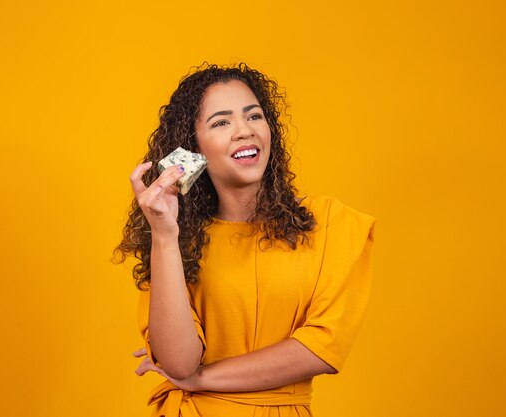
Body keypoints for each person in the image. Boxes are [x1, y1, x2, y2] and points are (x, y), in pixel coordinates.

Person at [113, 63, 376, 417]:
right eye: (221, 122)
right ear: (194, 148)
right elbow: (178, 362)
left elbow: (321, 350)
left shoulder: (330, 223)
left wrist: (199, 379)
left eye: (254, 116)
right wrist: (163, 234)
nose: (243, 131)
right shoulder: (175, 241)